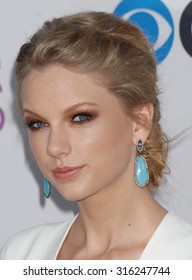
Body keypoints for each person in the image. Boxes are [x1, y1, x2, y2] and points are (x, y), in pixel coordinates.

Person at [1, 11, 192, 260]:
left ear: (139, 122)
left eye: (80, 117)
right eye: (38, 124)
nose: (55, 147)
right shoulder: (20, 255)